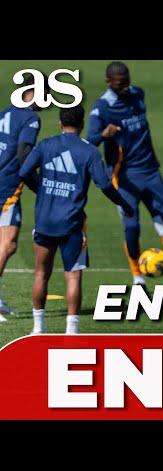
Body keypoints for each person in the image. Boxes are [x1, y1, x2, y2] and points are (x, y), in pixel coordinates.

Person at [87, 61, 163, 288]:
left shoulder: (138, 95)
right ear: (108, 82)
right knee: (132, 227)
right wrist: (104, 134)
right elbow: (90, 141)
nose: (126, 87)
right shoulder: (102, 108)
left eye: (127, 81)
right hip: (124, 177)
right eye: (120, 83)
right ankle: (137, 279)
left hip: (151, 172)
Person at [16, 105, 133, 334]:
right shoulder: (89, 151)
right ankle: (72, 331)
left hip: (45, 222)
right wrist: (123, 204)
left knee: (41, 273)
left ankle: (38, 328)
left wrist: (41, 189)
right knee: (73, 276)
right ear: (81, 125)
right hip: (72, 225)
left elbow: (23, 172)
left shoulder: (45, 145)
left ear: (60, 123)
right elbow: (104, 184)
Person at [0, 74, 47, 317]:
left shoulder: (5, 113)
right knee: (8, 243)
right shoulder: (30, 118)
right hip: (6, 188)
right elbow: (24, 155)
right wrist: (40, 186)